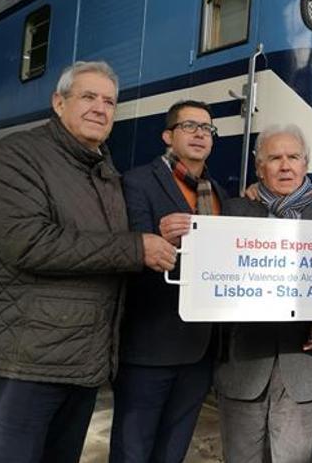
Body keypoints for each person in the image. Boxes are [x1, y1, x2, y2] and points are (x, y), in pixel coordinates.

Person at [0, 61, 178, 463]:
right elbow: (28, 244)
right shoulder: (19, 156)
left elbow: (110, 243)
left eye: (109, 101)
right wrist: (136, 249)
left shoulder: (102, 170)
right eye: (88, 97)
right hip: (24, 362)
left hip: (81, 363)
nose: (100, 108)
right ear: (58, 102)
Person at [215, 124, 312, 463]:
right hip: (243, 364)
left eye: (293, 157)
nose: (285, 165)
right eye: (274, 158)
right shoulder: (233, 211)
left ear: (305, 164)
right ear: (259, 168)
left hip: (304, 370)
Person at [109, 99, 228, 462]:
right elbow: (128, 247)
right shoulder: (136, 182)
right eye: (189, 126)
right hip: (149, 345)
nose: (199, 135)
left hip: (199, 349)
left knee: (173, 451)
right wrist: (158, 237)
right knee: (133, 451)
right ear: (167, 136)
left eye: (206, 129)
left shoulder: (218, 192)